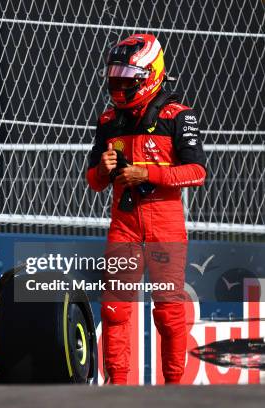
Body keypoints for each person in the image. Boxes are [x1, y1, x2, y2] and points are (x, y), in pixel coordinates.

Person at [86, 34, 206, 384]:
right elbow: (93, 182)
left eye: (128, 80)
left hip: (164, 223)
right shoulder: (108, 120)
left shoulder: (178, 116)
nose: (120, 87)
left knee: (169, 313)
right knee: (114, 309)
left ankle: (174, 390)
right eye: (116, 80)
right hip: (123, 223)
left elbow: (197, 172)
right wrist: (104, 170)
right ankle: (117, 388)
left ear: (149, 74)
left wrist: (147, 173)